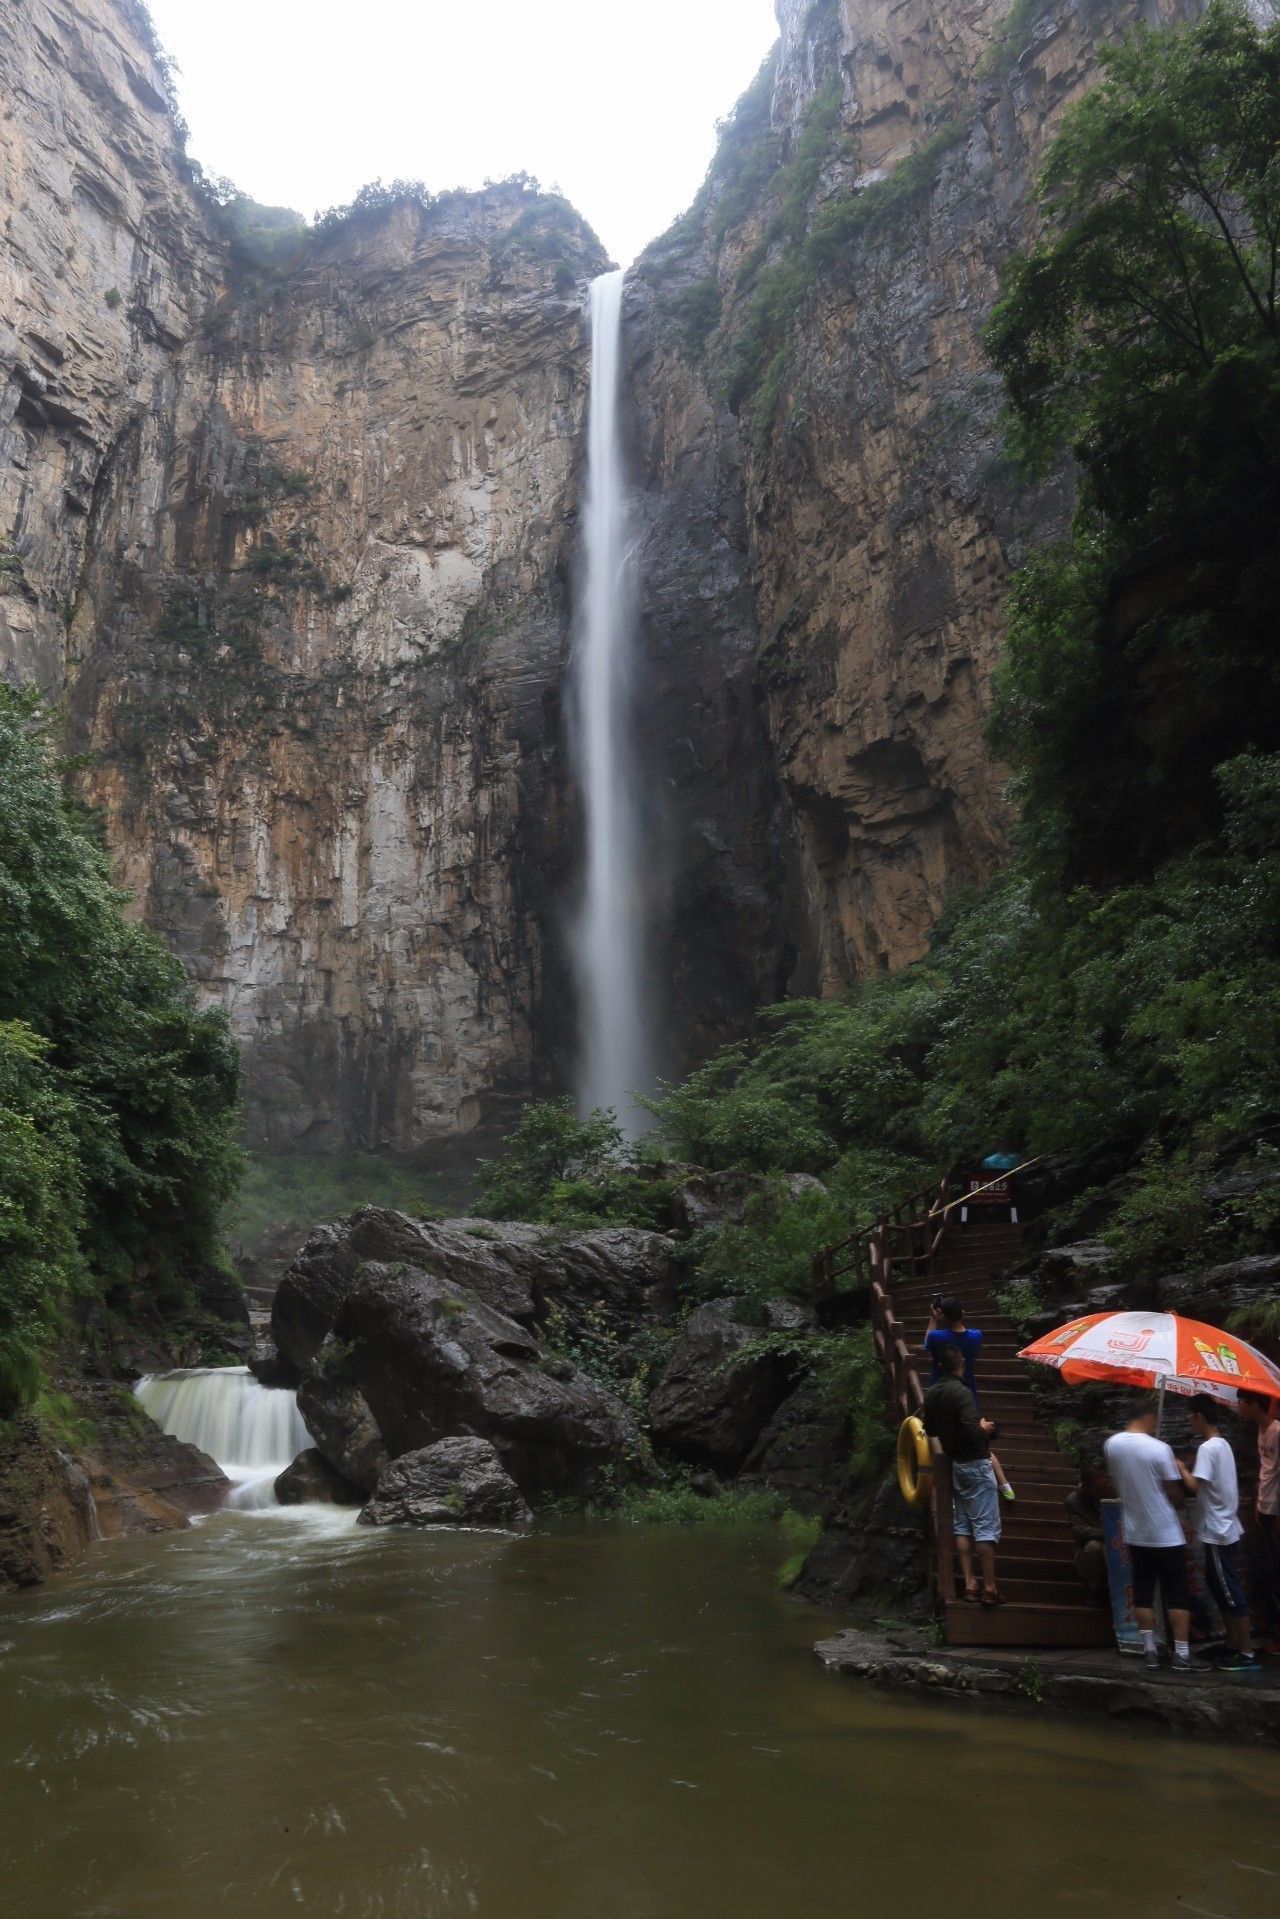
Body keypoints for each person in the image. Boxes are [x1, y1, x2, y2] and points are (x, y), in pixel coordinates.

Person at [1104, 1398, 1199, 1672]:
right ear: (1147, 1417)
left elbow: (1115, 1481)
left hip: (1135, 1531)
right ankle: (1181, 1653)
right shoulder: (1160, 1449)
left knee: (1143, 1590)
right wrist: (1182, 1475)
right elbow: (1175, 1495)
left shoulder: (1112, 1445)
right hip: (1165, 1532)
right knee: (1177, 1592)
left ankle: (1149, 1651)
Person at [1176, 1393, 1259, 1673]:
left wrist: (1178, 1467)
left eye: (1190, 1416)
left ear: (1198, 1416)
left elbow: (1196, 1487)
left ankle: (1247, 1653)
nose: (1189, 1421)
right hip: (1223, 1525)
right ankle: (1235, 1644)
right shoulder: (1222, 1444)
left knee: (1229, 1589)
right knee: (1219, 1585)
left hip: (1218, 1529)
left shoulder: (1210, 1448)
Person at [923, 1344, 1003, 1608]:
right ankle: (989, 1588)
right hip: (976, 1462)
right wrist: (985, 1428)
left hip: (955, 1464)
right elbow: (971, 1429)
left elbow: (931, 1428)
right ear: (962, 1364)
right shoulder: (962, 1392)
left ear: (939, 1367)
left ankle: (969, 1583)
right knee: (984, 1528)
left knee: (962, 1525)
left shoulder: (933, 1393)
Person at [923, 1298, 1014, 1501]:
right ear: (962, 1313)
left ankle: (951, 1495)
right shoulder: (976, 1337)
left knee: (945, 1440)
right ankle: (1004, 1484)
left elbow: (927, 1343)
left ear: (943, 1316)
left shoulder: (937, 1337)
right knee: (978, 1442)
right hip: (968, 1391)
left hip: (941, 1392)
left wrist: (932, 1319)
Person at [1237, 1391, 1280, 1656]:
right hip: (1265, 1509)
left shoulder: (1277, 1431)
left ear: (1255, 1405)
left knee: (1277, 1572)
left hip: (1276, 1511)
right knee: (1267, 1571)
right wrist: (1258, 1505)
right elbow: (1266, 1471)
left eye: (1242, 1402)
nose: (1239, 1407)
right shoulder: (1262, 1430)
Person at [1064, 1461, 1111, 1605]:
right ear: (1086, 1487)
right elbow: (1079, 1530)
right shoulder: (1074, 1501)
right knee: (1094, 1547)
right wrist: (1108, 1534)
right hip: (1090, 1549)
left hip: (1120, 1542)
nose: (1101, 1493)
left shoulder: (1114, 1492)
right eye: (1097, 1490)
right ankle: (1093, 1590)